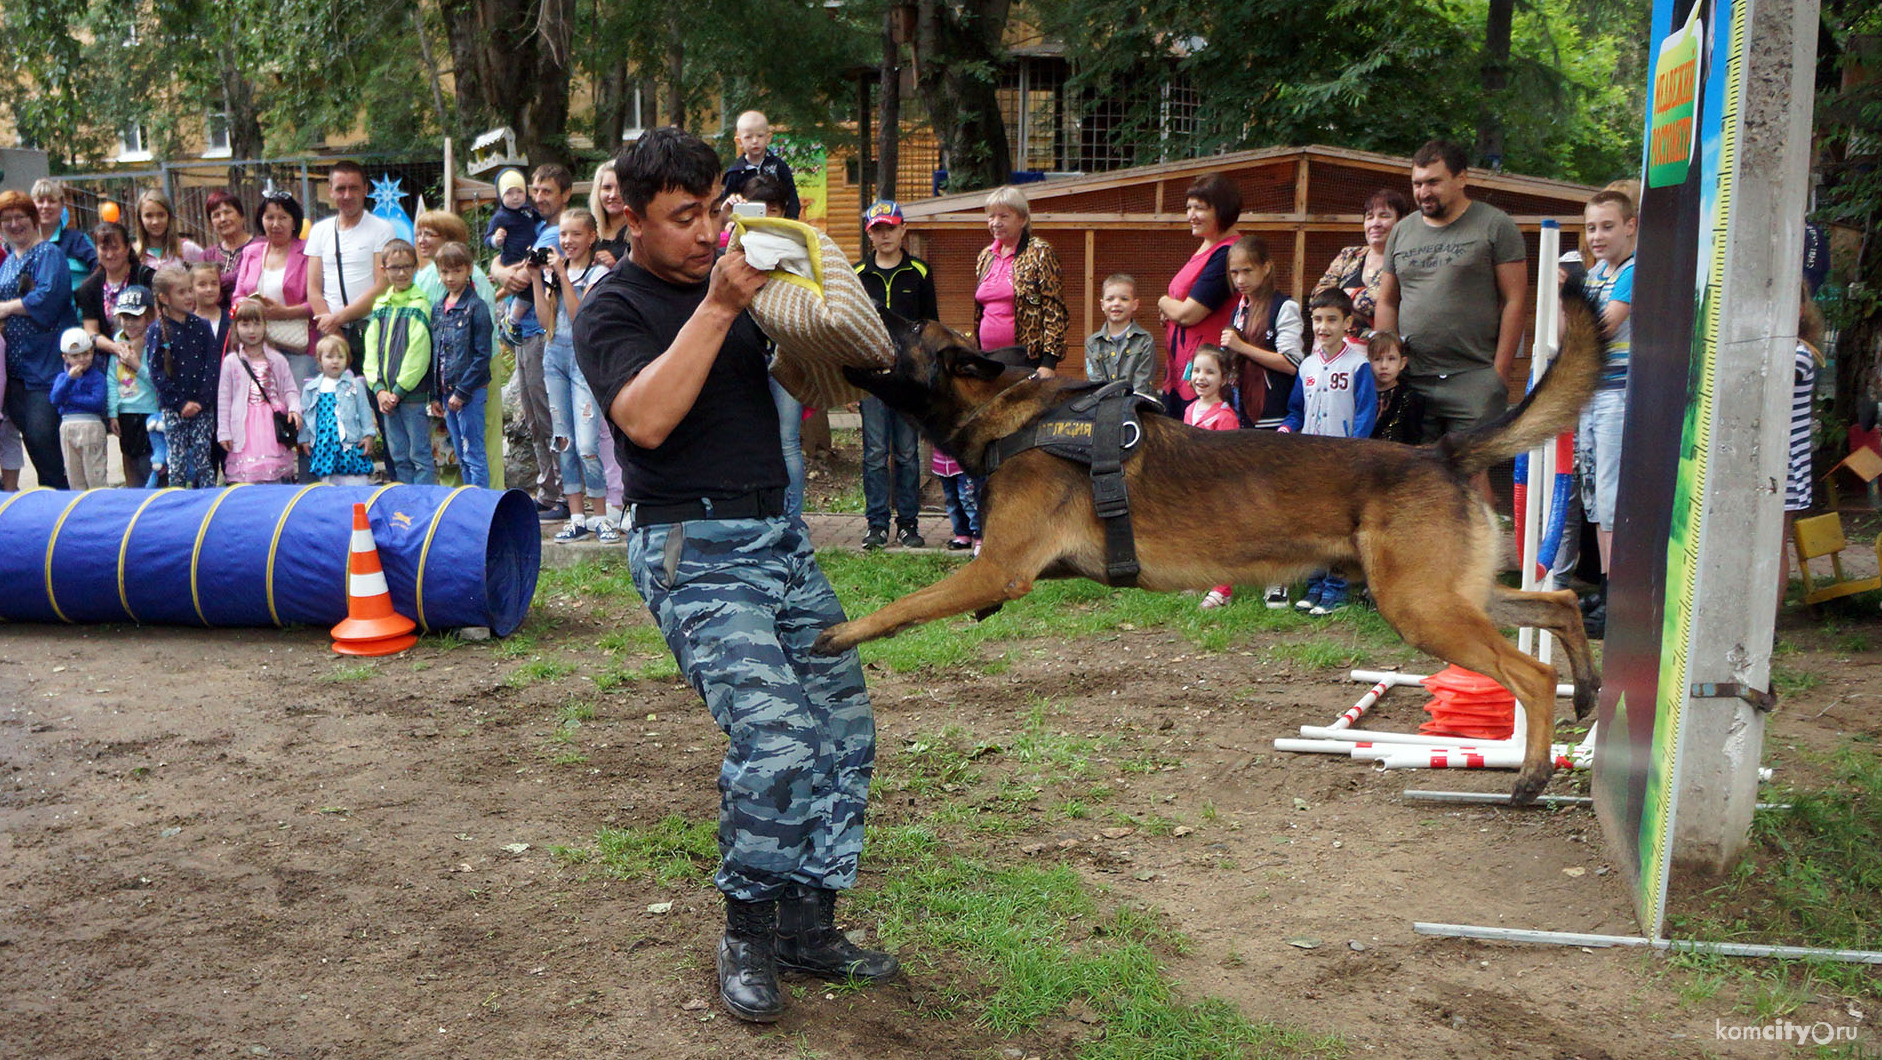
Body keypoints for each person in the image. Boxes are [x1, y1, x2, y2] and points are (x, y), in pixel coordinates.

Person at [573, 126, 896, 1024]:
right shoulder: (611, 307)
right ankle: (746, 935)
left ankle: (807, 924)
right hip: (693, 548)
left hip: (778, 540)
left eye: (712, 209)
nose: (707, 232)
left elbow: (816, 371)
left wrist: (810, 310)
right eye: (682, 219)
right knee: (778, 739)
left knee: (844, 729)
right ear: (628, 219)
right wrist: (719, 309)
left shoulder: (739, 277)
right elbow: (643, 420)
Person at [1374, 141, 1527, 458]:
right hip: (1414, 377)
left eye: (1433, 182)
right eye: (1417, 183)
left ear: (1461, 178)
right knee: (1412, 473)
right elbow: (1387, 301)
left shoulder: (1496, 225)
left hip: (1474, 376)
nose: (1423, 192)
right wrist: (1386, 364)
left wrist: (1499, 373)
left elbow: (1515, 301)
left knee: (1470, 472)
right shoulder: (1402, 231)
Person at [1281, 288, 1376, 615]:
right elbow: (1296, 409)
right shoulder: (1307, 366)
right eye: (1318, 319)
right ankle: (1314, 585)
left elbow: (1365, 411)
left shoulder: (1357, 365)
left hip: (1342, 462)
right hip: (1310, 462)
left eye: (1331, 320)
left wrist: (1356, 451)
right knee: (1313, 526)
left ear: (1347, 322)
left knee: (1338, 527)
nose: (1323, 327)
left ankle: (1335, 591)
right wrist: (1286, 430)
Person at [491, 163, 574, 520]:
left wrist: (500, 272)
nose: (538, 198)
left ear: (566, 194)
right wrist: (498, 269)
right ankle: (547, 489)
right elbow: (505, 268)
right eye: (535, 190)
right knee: (533, 416)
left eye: (547, 192)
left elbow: (522, 276)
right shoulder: (533, 225)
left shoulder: (556, 233)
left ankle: (562, 493)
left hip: (544, 332)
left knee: (547, 414)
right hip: (524, 334)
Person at [1573, 188, 1637, 639]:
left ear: (1631, 226)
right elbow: (1569, 329)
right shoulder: (1596, 273)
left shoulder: (1635, 271)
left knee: (1613, 495)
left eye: (1607, 226)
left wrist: (1572, 301)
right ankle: (1605, 584)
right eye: (1592, 227)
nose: (1597, 236)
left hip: (1619, 393)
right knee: (1595, 493)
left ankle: (1620, 596)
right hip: (1592, 391)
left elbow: (1600, 327)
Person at [855, 200, 936, 549]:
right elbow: (850, 328)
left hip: (909, 378)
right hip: (872, 376)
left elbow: (931, 325)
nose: (884, 235)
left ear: (903, 230)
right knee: (874, 451)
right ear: (869, 234)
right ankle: (876, 525)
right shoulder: (858, 273)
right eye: (877, 229)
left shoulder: (919, 271)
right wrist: (851, 380)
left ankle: (908, 524)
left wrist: (927, 372)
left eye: (890, 228)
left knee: (906, 451)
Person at [413, 207, 507, 491]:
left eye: (430, 234)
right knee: (465, 437)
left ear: (450, 238)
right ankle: (473, 494)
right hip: (450, 370)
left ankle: (481, 498)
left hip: (473, 368)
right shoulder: (435, 274)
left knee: (474, 440)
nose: (422, 239)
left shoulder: (451, 279)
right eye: (419, 233)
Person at [535, 208, 613, 541]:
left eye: (576, 234)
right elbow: (544, 321)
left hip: (583, 361)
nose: (568, 241)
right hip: (554, 357)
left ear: (591, 237)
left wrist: (563, 277)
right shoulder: (555, 273)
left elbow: (580, 318)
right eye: (563, 235)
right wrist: (538, 278)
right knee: (563, 441)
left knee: (586, 444)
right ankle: (577, 515)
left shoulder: (598, 275)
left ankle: (602, 516)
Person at [0, 188, 80, 489]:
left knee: (43, 436)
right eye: (6, 219)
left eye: (19, 217)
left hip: (45, 367)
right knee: (32, 442)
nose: (13, 224)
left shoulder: (49, 253)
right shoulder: (7, 262)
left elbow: (48, 297)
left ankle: (62, 502)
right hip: (16, 369)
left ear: (33, 219)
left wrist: (7, 308)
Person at [1157, 174, 1242, 418]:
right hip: (1182, 370)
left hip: (1207, 375)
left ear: (1222, 211)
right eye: (1189, 208)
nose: (1191, 215)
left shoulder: (1227, 253)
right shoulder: (1207, 246)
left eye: (1200, 208)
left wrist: (1162, 301)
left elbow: (1188, 314)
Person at [306, 161, 396, 369]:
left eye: (353, 188)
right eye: (340, 189)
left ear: (365, 189)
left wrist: (337, 318)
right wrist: (334, 332)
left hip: (371, 330)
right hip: (332, 336)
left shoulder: (382, 229)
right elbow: (313, 289)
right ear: (330, 191)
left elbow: (382, 286)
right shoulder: (319, 231)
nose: (347, 195)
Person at [362, 238, 435, 485]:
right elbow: (370, 352)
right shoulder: (380, 306)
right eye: (395, 267)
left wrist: (399, 390)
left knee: (420, 454)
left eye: (407, 266)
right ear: (384, 270)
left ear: (416, 267)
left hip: (410, 396)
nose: (401, 272)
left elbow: (419, 353)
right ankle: (406, 505)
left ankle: (425, 504)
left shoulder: (420, 305)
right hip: (386, 398)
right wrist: (379, 389)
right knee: (398, 454)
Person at [976, 185, 1068, 378]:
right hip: (988, 359)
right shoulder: (985, 256)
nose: (996, 222)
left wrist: (1048, 362)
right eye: (991, 217)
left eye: (1004, 216)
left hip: (1025, 361)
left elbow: (1054, 310)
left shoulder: (1040, 252)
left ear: (1023, 219)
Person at [1217, 234, 1303, 430]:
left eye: (1247, 271)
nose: (1240, 280)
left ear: (1266, 268)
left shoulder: (1284, 307)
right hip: (1239, 413)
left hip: (1274, 417)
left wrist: (1242, 347)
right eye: (1234, 272)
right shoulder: (1239, 309)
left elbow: (1291, 364)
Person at [233, 191, 317, 388]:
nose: (275, 224)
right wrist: (248, 308)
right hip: (257, 344)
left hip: (299, 346)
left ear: (295, 222)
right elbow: (237, 296)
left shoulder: (309, 252)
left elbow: (319, 300)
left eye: (283, 218)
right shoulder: (251, 252)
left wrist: (284, 313)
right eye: (269, 217)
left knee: (297, 405)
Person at [429, 241, 494, 489]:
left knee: (473, 452)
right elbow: (436, 354)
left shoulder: (476, 307)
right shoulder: (439, 308)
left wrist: (462, 392)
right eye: (445, 272)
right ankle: (469, 502)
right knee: (460, 454)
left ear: (468, 270)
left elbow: (482, 356)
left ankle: (482, 507)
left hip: (469, 392)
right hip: (447, 393)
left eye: (456, 271)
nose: (450, 277)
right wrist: (436, 394)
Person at [148, 266, 219, 489]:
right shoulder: (157, 330)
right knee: (176, 463)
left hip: (202, 407)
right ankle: (176, 502)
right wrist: (180, 403)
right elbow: (156, 373)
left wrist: (201, 401)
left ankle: (210, 502)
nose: (189, 296)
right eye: (182, 292)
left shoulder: (202, 327)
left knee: (203, 460)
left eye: (190, 290)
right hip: (174, 408)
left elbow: (212, 367)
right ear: (164, 298)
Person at [217, 300, 302, 484]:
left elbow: (290, 389)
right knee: (247, 475)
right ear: (236, 327)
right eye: (245, 324)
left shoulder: (277, 359)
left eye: (257, 323)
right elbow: (224, 400)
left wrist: (294, 408)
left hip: (271, 425)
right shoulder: (232, 362)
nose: (252, 330)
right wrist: (224, 432)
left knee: (273, 474)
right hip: (244, 425)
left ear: (265, 325)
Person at [1183, 346, 1240, 610]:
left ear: (1223, 379)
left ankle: (1222, 589)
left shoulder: (1225, 417)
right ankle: (1197, 578)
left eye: (1210, 372)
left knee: (1220, 538)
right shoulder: (1189, 410)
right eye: (1196, 370)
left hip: (1217, 491)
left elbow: (1227, 462)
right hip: (1192, 489)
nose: (1201, 377)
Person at [1313, 188, 1409, 333]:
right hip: (1339, 348)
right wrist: (1359, 301)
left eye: (1384, 216)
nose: (1375, 223)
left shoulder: (1405, 260)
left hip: (1382, 350)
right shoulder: (1349, 255)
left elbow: (1372, 304)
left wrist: (1342, 297)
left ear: (1401, 222)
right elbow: (1317, 297)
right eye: (1370, 217)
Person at [1781, 292, 1824, 612]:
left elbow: (1771, 382)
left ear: (1799, 311)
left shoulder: (1800, 354)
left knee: (1772, 545)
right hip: (1772, 465)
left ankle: (1768, 624)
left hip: (1787, 468)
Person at [299, 334, 378, 486]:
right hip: (324, 445)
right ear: (319, 360)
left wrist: (368, 435)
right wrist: (304, 439)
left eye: (340, 357)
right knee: (328, 484)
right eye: (329, 357)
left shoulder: (355, 385)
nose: (335, 361)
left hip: (350, 443)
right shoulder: (311, 388)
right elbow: (307, 415)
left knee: (355, 481)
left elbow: (364, 411)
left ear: (347, 360)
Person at [105, 284, 161, 488]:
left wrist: (136, 365)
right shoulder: (118, 343)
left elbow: (158, 381)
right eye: (125, 317)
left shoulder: (154, 343)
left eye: (135, 317)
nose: (129, 323)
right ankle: (133, 498)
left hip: (150, 411)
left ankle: (152, 499)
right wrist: (113, 412)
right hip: (125, 411)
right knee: (128, 458)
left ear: (148, 317)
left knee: (151, 463)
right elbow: (112, 379)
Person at [77, 221, 157, 360]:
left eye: (115, 248)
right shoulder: (89, 287)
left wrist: (139, 342)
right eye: (103, 249)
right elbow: (91, 331)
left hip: (149, 353)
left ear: (127, 248)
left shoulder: (147, 277)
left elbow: (159, 317)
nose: (109, 255)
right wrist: (115, 347)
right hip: (110, 360)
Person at [485, 168, 543, 333]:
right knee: (525, 289)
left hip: (528, 256)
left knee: (531, 289)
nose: (516, 196)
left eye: (519, 191)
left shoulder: (528, 211)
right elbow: (487, 240)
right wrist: (496, 240)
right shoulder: (500, 217)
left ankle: (511, 319)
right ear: (501, 196)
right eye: (509, 193)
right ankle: (511, 320)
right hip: (512, 259)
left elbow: (543, 219)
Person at [50, 327, 108, 489]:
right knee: (74, 477)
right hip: (68, 426)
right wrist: (69, 380)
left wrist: (68, 400)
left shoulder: (97, 377)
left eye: (86, 353)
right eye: (75, 356)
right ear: (65, 357)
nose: (82, 359)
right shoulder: (63, 378)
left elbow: (97, 402)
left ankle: (100, 507)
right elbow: (55, 399)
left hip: (91, 425)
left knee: (95, 475)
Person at [1084, 273, 1157, 402]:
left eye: (1124, 299)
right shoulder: (1092, 343)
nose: (1116, 303)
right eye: (1110, 299)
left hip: (1136, 408)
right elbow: (1096, 382)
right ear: (1102, 305)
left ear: (1135, 304)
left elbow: (1142, 384)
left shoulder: (1144, 340)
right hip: (1103, 407)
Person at [721, 110, 801, 219]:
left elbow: (792, 198)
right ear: (739, 141)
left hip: (776, 224)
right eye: (748, 137)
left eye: (760, 136)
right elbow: (727, 202)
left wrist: (790, 222)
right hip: (747, 226)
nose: (755, 141)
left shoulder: (779, 167)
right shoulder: (735, 172)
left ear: (768, 138)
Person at [32, 179, 97, 302]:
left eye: (52, 201)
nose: (45, 206)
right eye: (40, 201)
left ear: (62, 206)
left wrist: (82, 292)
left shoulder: (77, 240)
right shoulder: (27, 244)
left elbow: (100, 269)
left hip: (77, 316)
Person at [1367, 331, 1424, 444]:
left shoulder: (1409, 399)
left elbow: (1413, 439)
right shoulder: (1363, 394)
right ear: (1369, 361)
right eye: (1377, 359)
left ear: (1402, 363)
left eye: (1391, 359)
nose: (1384, 366)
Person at [203, 189, 258, 302]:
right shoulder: (208, 256)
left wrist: (218, 280)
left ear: (242, 216)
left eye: (228, 212)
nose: (223, 219)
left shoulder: (259, 247)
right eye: (216, 215)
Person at [134, 189, 205, 270]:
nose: (155, 222)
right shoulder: (133, 255)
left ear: (169, 216)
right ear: (140, 219)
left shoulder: (188, 249)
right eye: (149, 216)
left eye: (161, 215)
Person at [589, 160, 630, 266]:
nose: (613, 195)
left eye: (620, 188)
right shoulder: (588, 231)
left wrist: (615, 267)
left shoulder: (640, 233)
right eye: (607, 188)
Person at [190, 262, 231, 346]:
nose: (209, 289)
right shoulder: (185, 323)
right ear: (191, 289)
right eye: (202, 285)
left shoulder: (231, 321)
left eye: (214, 284)